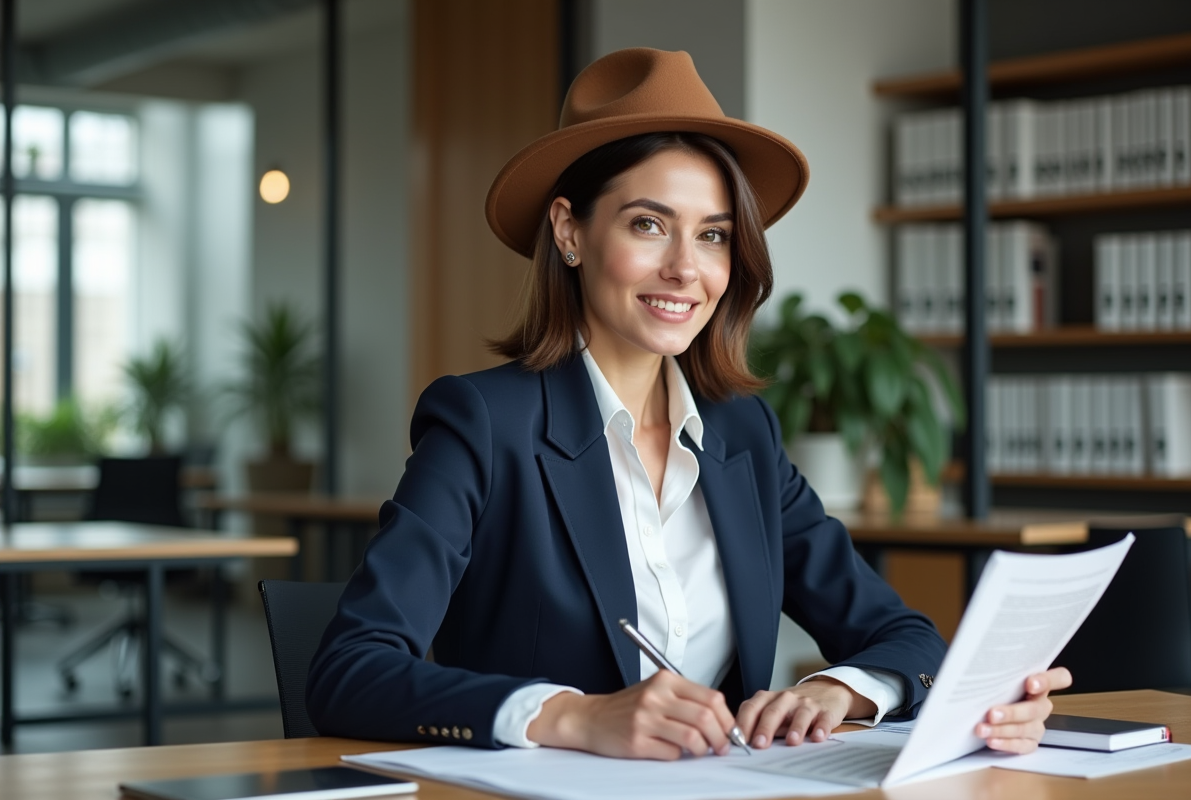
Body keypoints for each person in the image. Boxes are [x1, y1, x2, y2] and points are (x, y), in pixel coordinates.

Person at [307, 47, 1070, 760]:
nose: (685, 269)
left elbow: (901, 635)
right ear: (570, 232)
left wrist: (839, 689)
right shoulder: (483, 423)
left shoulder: (742, 435)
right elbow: (349, 670)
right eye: (648, 225)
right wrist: (573, 715)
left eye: (712, 236)